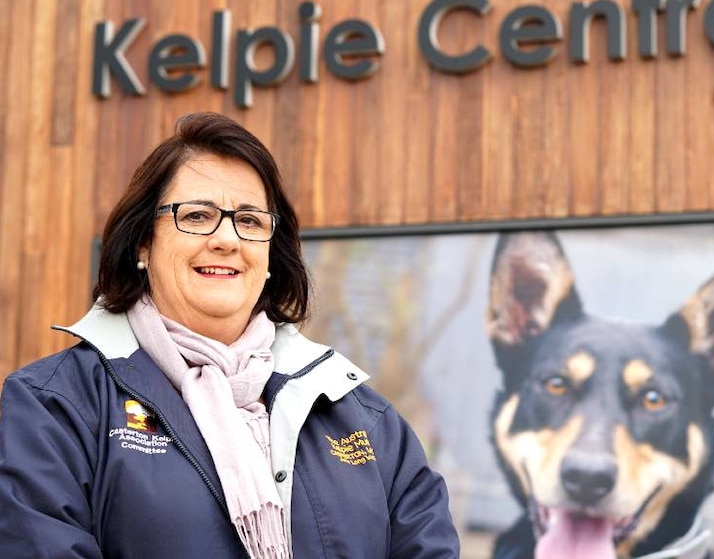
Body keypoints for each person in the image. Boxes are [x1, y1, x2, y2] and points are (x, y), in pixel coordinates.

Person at [0, 112, 461, 558]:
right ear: (144, 243)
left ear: (269, 257)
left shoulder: (367, 423)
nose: (227, 239)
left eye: (250, 221)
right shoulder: (54, 408)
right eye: (197, 216)